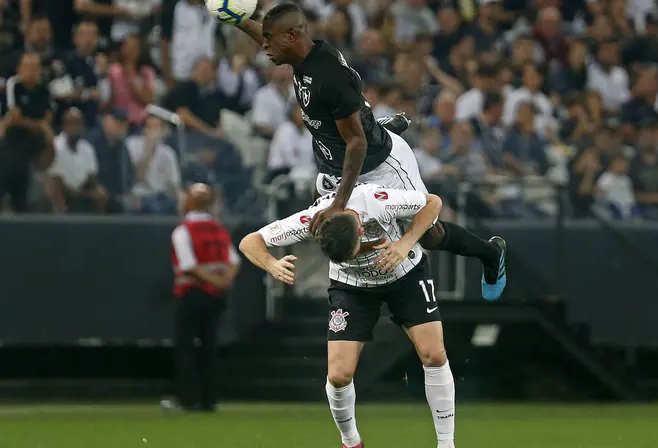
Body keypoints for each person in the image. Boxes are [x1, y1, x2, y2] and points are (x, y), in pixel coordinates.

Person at [231, 3, 507, 300]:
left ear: (292, 35)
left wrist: (340, 203)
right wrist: (237, 20)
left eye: (269, 39)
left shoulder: (329, 76)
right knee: (328, 220)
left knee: (429, 233)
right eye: (265, 37)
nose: (264, 46)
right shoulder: (300, 53)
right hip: (337, 160)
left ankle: (491, 253)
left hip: (377, 161)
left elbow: (357, 144)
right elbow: (272, 38)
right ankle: (372, 125)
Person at [239, 184, 459, 448]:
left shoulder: (379, 201)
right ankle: (351, 442)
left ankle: (446, 444)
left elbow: (432, 202)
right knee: (339, 375)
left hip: (405, 274)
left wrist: (405, 243)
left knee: (434, 354)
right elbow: (250, 241)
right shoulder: (311, 219)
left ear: (362, 230)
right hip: (352, 288)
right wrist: (271, 263)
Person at [170, 183, 241, 412]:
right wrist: (223, 282)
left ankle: (188, 399)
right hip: (217, 298)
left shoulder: (184, 231)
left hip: (192, 294)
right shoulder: (219, 230)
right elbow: (233, 261)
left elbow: (188, 265)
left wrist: (210, 281)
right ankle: (209, 399)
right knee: (209, 347)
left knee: (185, 347)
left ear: (189, 202)